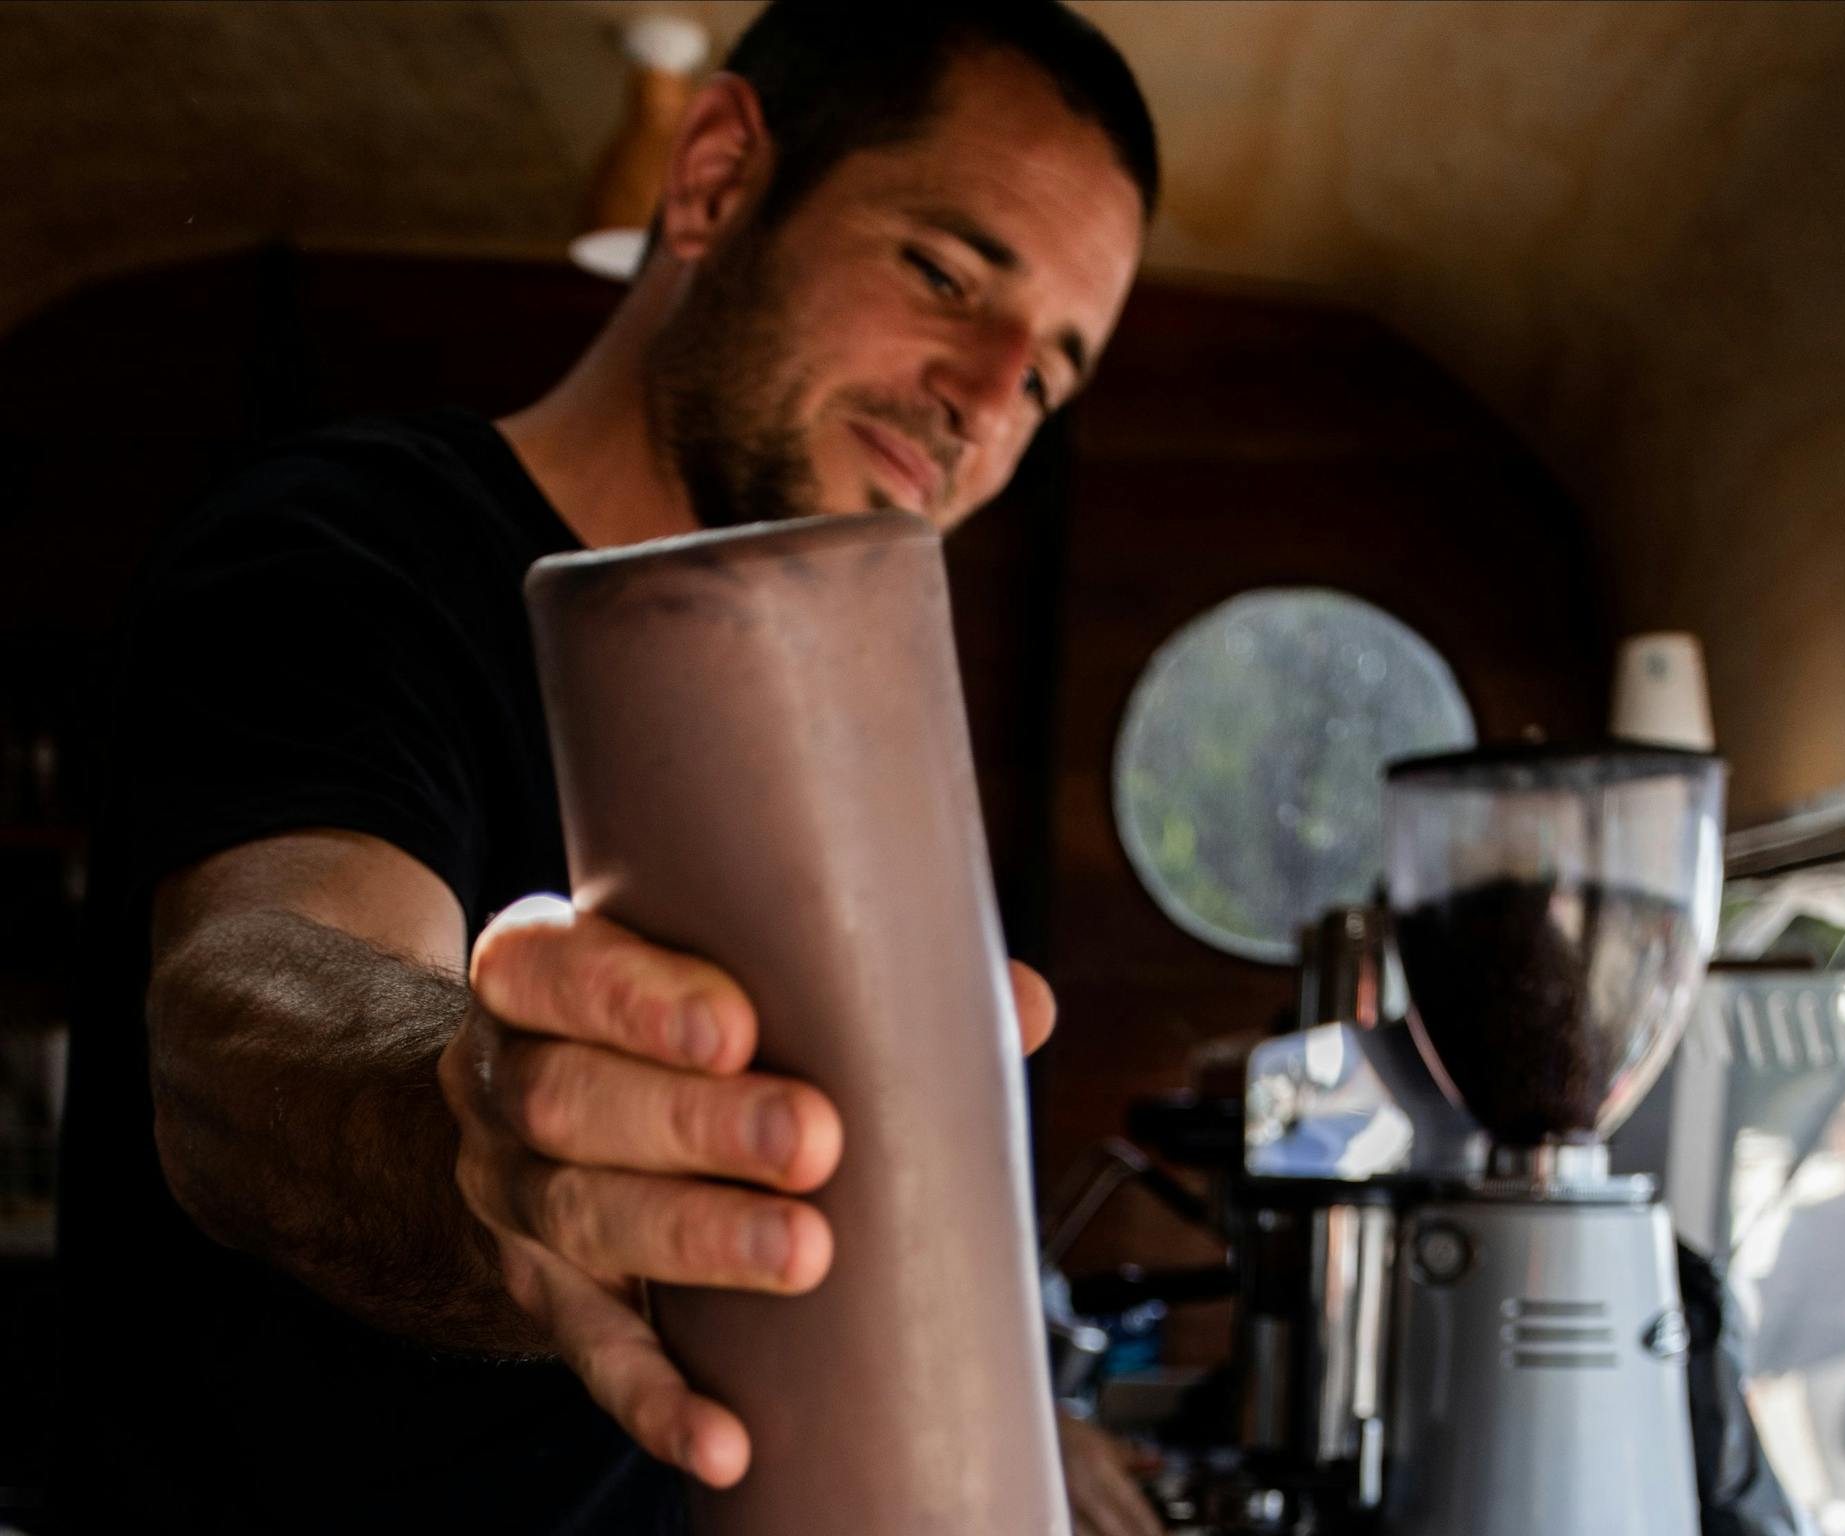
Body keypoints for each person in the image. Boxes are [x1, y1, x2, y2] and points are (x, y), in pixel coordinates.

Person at [57, 4, 1160, 1532]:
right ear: (712, 179)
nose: (984, 403)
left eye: (1049, 380)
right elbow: (247, 1005)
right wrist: (482, 1119)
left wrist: (1022, 1410)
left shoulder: (841, 764)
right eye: (947, 273)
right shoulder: (340, 552)